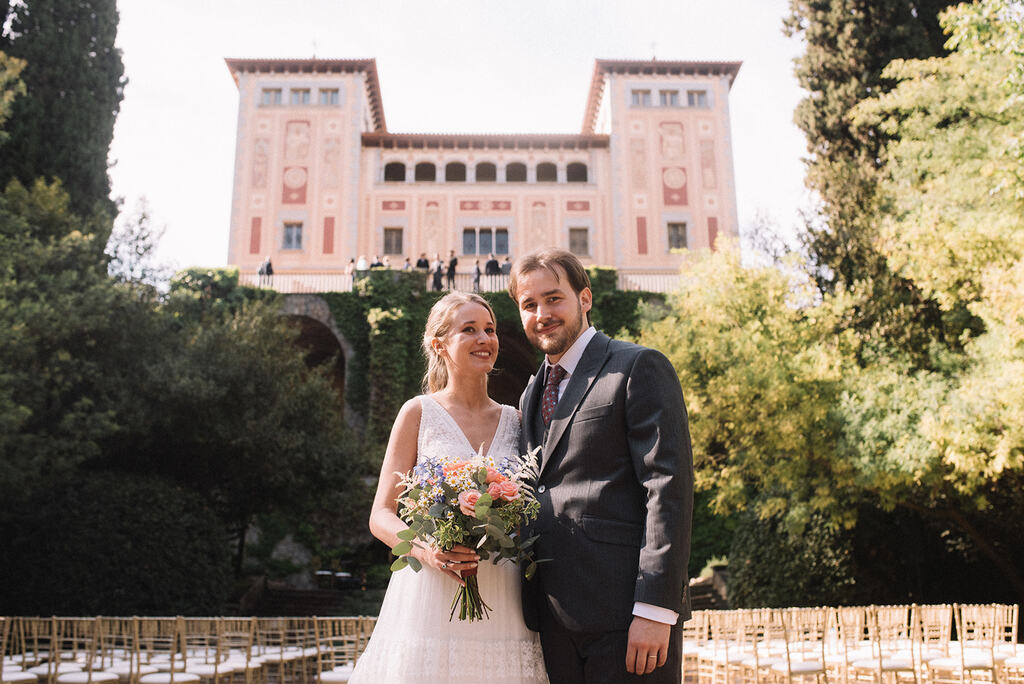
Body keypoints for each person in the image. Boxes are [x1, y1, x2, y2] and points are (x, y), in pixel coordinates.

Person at [509, 248, 693, 684]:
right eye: (529, 304)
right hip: (552, 619)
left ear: (585, 298)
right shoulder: (531, 393)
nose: (542, 314)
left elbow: (667, 489)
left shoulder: (637, 366)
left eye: (554, 299)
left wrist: (654, 608)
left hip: (626, 616)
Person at [349, 292, 548, 683]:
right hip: (431, 591)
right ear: (439, 345)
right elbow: (381, 514)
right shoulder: (417, 412)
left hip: (502, 588)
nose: (484, 339)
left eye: (490, 329)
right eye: (469, 329)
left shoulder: (518, 420)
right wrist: (427, 551)